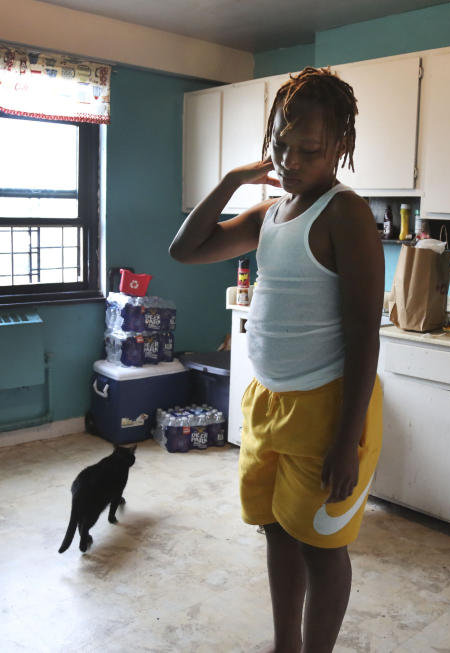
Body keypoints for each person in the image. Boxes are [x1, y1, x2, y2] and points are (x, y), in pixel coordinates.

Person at [169, 67, 385, 653]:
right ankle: (283, 644)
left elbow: (366, 330)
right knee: (276, 530)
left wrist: (348, 439)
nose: (291, 160)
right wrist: (233, 179)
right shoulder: (268, 214)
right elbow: (185, 250)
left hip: (327, 404)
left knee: (320, 544)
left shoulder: (345, 213)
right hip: (268, 398)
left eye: (309, 149)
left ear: (339, 145)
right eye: (280, 146)